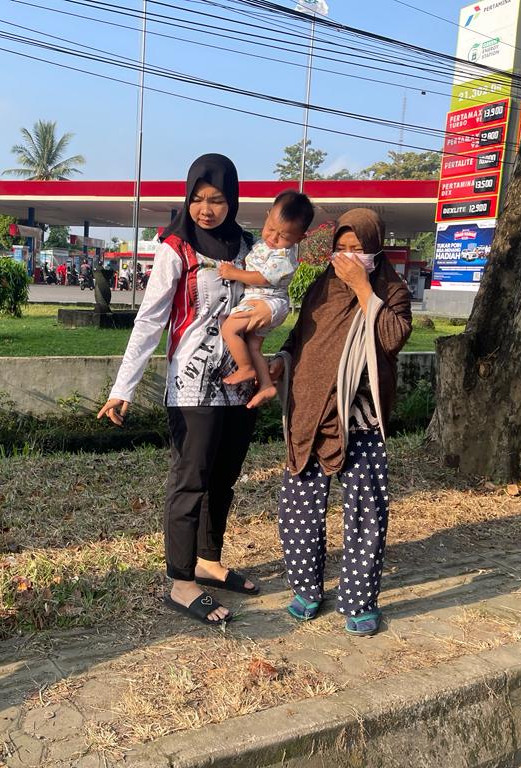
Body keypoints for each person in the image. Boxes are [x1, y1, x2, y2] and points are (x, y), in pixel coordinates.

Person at [97, 153, 270, 626]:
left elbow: (270, 297)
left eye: (216, 200)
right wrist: (123, 387)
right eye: (197, 199)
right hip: (192, 385)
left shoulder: (248, 247)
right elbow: (150, 319)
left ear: (232, 200)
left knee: (224, 476)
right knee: (190, 480)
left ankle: (208, 561)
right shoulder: (177, 247)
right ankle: (181, 581)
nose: (206, 210)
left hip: (240, 382)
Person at [269, 208, 412, 637]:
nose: (349, 257)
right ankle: (306, 589)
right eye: (342, 249)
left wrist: (364, 288)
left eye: (359, 249)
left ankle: (359, 599)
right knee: (298, 509)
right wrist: (281, 360)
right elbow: (300, 338)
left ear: (375, 249)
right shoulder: (320, 287)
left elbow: (390, 338)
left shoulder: (392, 290)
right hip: (309, 414)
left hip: (361, 422)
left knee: (366, 512)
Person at [218, 191, 315, 406]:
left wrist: (234, 273)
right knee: (253, 346)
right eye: (271, 229)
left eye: (284, 236)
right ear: (267, 215)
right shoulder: (262, 244)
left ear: (300, 238)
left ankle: (245, 367)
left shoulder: (284, 256)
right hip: (264, 302)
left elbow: (262, 278)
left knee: (228, 328)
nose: (273, 238)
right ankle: (266, 385)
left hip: (268, 302)